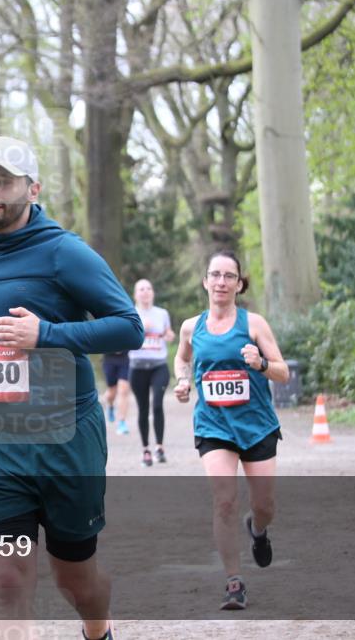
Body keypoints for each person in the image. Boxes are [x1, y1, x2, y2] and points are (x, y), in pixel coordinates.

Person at [0, 136, 143, 640]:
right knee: (6, 579)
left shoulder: (65, 253)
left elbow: (127, 327)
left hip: (66, 442)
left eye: (3, 180)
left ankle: (98, 630)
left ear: (33, 187)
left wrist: (47, 334)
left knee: (76, 579)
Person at [172, 250, 289, 611]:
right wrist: (182, 380)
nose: (221, 282)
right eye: (215, 275)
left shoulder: (254, 324)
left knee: (264, 504)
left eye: (229, 276)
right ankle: (234, 581)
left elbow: (283, 372)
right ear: (205, 281)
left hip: (255, 425)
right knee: (223, 499)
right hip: (214, 425)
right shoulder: (192, 326)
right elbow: (182, 357)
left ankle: (257, 527)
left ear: (239, 284)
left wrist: (262, 362)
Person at [128, 279, 175, 467]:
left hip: (159, 366)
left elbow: (168, 333)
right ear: (135, 294)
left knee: (157, 405)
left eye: (148, 288)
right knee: (143, 408)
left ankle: (160, 447)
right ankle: (146, 449)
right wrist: (140, 330)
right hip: (137, 367)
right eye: (141, 289)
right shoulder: (130, 314)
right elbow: (124, 339)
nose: (145, 292)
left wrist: (169, 336)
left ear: (153, 293)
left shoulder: (162, 313)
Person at [101, 350, 132, 436]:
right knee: (111, 393)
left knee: (123, 390)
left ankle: (122, 422)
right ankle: (110, 405)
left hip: (124, 359)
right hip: (109, 359)